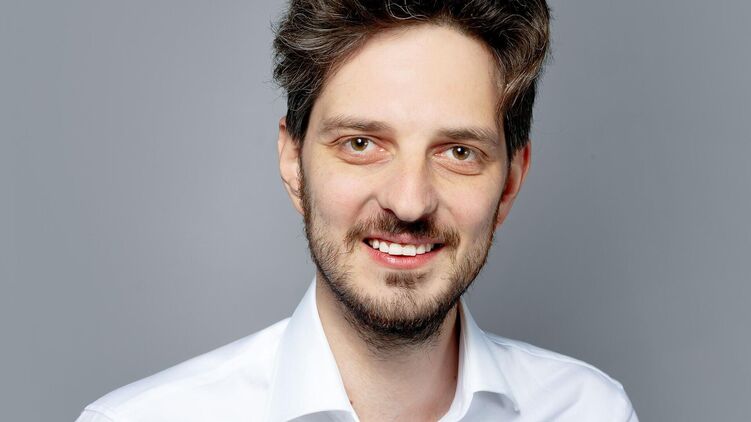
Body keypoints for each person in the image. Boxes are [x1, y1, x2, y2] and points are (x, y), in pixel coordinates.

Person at [76, 1, 638, 421]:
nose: (409, 202)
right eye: (361, 144)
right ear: (294, 162)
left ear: (510, 180)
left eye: (458, 152)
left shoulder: (591, 412)